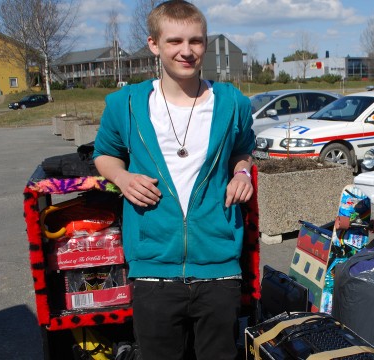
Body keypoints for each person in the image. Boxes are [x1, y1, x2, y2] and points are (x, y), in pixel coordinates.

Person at [92, 1, 255, 359]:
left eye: (196, 41)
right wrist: (121, 176)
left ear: (206, 43)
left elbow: (243, 149)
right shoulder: (127, 104)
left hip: (219, 265)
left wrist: (242, 171)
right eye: (175, 41)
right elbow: (103, 153)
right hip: (153, 266)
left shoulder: (232, 103)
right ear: (154, 44)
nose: (186, 51)